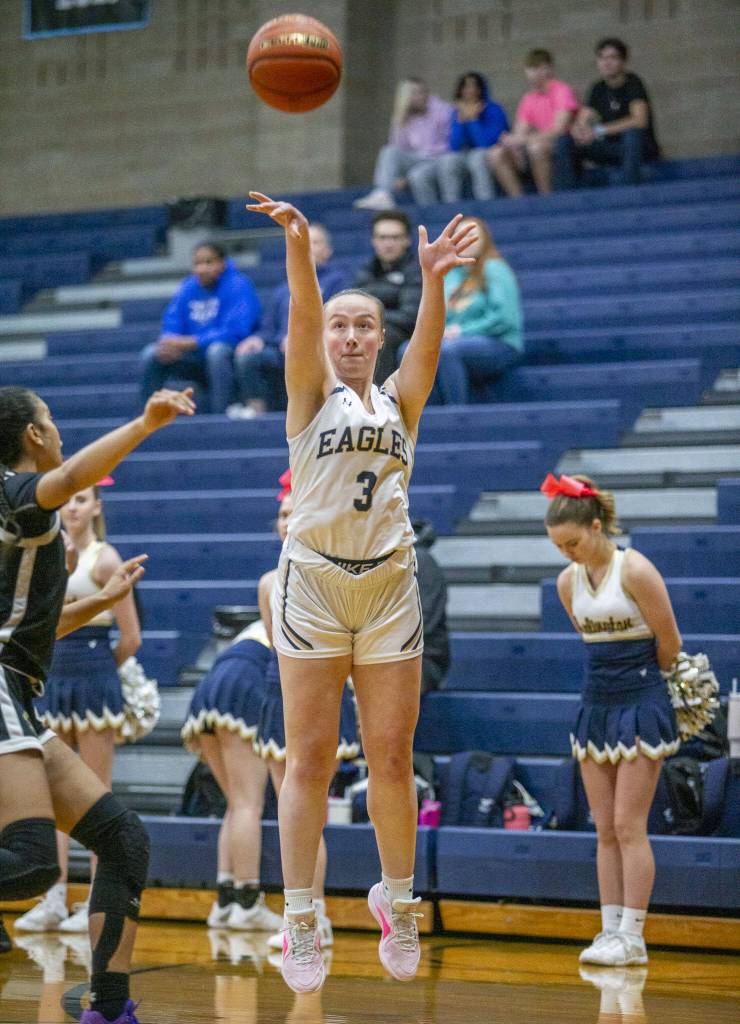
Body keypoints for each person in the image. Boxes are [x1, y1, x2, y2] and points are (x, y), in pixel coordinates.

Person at [244, 186, 476, 994]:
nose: (347, 334)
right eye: (340, 324)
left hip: (388, 587)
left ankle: (398, 899)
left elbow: (431, 349)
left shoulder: (401, 401)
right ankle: (302, 913)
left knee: (390, 754)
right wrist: (299, 251)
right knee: (307, 757)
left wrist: (435, 277)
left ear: (379, 337)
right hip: (312, 585)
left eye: (363, 324)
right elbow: (300, 324)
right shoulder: (309, 396)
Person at [0, 383, 195, 1024]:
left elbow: (36, 624)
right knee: (31, 866)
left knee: (123, 840)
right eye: (51, 418)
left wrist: (103, 604)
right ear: (33, 435)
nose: (55, 429)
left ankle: (108, 1008)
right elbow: (75, 474)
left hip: (18, 694)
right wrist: (146, 423)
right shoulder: (15, 495)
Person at [542, 472, 682, 968]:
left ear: (597, 526)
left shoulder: (637, 570)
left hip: (642, 701)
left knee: (628, 825)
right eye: (560, 547)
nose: (568, 554)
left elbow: (671, 643)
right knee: (603, 826)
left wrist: (651, 693)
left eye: (574, 543)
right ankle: (608, 932)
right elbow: (589, 639)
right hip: (595, 704)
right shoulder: (567, 582)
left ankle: (634, 936)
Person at [14, 480, 141, 937]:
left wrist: (102, 675)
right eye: (68, 500)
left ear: (96, 507)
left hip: (93, 676)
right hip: (53, 674)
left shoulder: (106, 558)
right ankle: (53, 898)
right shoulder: (49, 552)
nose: (72, 507)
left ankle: (94, 898)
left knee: (93, 793)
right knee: (50, 797)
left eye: (82, 500)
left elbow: (130, 638)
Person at [254, 472, 360, 956]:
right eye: (279, 514)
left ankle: (315, 914)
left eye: (292, 512)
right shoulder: (269, 582)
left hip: (322, 698)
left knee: (309, 808)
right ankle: (302, 914)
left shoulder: (336, 572)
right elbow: (279, 650)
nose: (284, 522)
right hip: (283, 698)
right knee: (291, 810)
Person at [180, 614, 284, 936]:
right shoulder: (296, 617)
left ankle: (225, 902)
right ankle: (248, 904)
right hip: (242, 686)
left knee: (235, 803)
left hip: (210, 686)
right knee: (248, 805)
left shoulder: (258, 623)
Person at [230, 225, 349, 419]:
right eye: (304, 242)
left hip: (320, 350)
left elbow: (340, 322)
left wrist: (303, 339)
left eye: (316, 242)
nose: (309, 247)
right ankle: (256, 412)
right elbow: (269, 328)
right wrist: (258, 339)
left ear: (328, 250)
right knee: (248, 356)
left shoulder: (339, 281)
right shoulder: (284, 288)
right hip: (281, 350)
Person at [140, 242, 261, 414]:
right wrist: (169, 341)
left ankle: (220, 414)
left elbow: (236, 331)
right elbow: (172, 320)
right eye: (197, 263)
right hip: (194, 359)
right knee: (152, 354)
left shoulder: (238, 284)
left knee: (217, 351)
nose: (202, 269)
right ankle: (149, 418)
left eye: (209, 262)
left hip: (229, 357)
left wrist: (193, 342)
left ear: (222, 264)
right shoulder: (187, 286)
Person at [428, 217, 523, 404]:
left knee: (447, 351)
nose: (467, 241)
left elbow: (504, 319)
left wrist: (462, 331)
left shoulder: (495, 268)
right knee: (409, 351)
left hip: (499, 342)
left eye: (472, 235)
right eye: (461, 236)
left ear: (485, 239)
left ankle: (457, 415)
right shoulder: (451, 274)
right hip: (457, 342)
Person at [554, 38, 659, 189]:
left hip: (637, 148)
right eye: (602, 58)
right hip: (610, 148)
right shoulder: (598, 88)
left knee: (632, 134)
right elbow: (584, 117)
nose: (606, 62)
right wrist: (579, 131)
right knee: (565, 141)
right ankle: (567, 198)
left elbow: (639, 120)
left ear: (623, 61)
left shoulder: (633, 83)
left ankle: (630, 195)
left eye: (613, 57)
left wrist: (598, 130)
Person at [487, 49, 579, 197]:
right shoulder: (529, 98)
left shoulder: (562, 90)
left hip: (564, 145)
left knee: (535, 148)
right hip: (535, 146)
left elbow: (559, 130)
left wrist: (522, 140)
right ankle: (519, 202)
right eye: (530, 68)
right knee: (495, 154)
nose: (533, 73)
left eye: (538, 68)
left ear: (549, 68)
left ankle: (545, 198)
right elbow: (520, 131)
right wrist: (514, 145)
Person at [354, 78, 453, 210]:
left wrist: (406, 177)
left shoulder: (442, 110)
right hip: (416, 160)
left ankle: (432, 212)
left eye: (423, 92)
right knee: (389, 151)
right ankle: (382, 194)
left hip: (439, 159)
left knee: (416, 176)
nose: (421, 96)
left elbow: (451, 144)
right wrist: (399, 177)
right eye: (415, 93)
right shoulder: (401, 118)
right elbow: (399, 149)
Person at [352, 210, 422, 385]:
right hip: (372, 327)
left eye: (395, 237)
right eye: (382, 238)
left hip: (405, 333)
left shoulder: (417, 269)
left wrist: (370, 317)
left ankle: (378, 401)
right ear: (373, 241)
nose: (388, 244)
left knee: (379, 337)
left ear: (407, 240)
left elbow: (410, 317)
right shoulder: (365, 270)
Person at [435, 72, 509, 202]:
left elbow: (485, 143)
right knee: (447, 161)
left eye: (474, 86)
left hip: (492, 152)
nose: (471, 91)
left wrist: (473, 119)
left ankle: (486, 203)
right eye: (466, 87)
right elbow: (454, 146)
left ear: (481, 89)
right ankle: (451, 207)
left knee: (477, 158)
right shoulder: (457, 111)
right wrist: (460, 122)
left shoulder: (494, 109)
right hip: (464, 154)